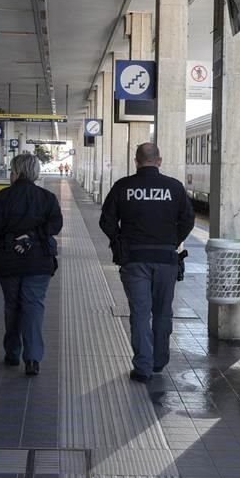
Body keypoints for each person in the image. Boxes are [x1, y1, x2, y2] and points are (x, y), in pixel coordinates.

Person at [99, 143, 195, 383]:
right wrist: (173, 241)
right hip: (166, 260)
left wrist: (118, 241)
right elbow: (188, 220)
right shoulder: (174, 187)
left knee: (140, 313)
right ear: (159, 161)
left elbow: (106, 220)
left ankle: (142, 367)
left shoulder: (124, 186)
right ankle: (159, 361)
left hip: (134, 259)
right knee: (163, 312)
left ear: (136, 161)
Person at [0, 153, 63, 376]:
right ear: (35, 172)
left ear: (16, 171)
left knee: (12, 305)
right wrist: (32, 235)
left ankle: (12, 352)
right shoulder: (47, 198)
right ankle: (33, 359)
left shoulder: (2, 197)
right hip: (39, 261)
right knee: (34, 305)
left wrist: (13, 237)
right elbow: (55, 225)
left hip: (7, 260)